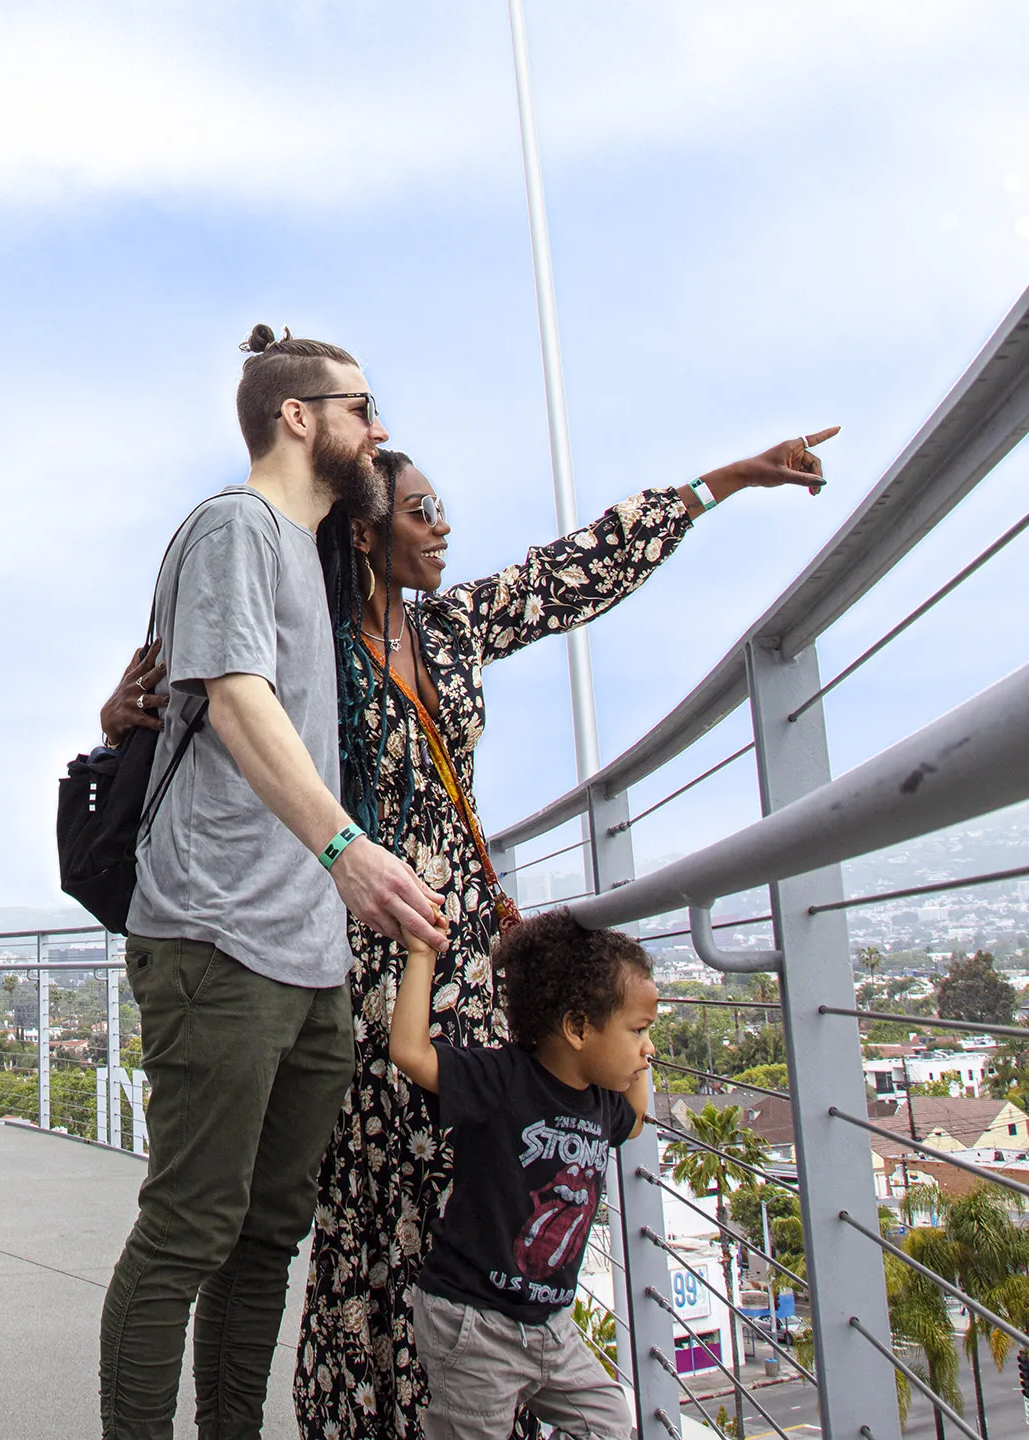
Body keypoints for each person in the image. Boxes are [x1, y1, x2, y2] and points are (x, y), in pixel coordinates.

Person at [101, 427, 834, 1439]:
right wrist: (118, 720)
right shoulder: (306, 636)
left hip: (467, 958)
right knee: (368, 1204)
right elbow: (209, 709)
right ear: (364, 533)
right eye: (421, 512)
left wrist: (725, 482)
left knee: (470, 1198)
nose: (443, 528)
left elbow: (573, 571)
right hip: (353, 957)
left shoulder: (452, 628)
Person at [98, 324, 449, 1440]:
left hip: (307, 955)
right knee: (188, 1231)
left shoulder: (309, 551)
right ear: (298, 418)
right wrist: (348, 852)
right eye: (361, 407)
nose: (378, 428)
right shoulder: (234, 528)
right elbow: (238, 698)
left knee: (265, 1239)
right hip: (217, 935)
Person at [387, 911, 656, 1440]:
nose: (649, 1047)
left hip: (550, 1326)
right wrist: (421, 955)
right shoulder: (500, 1077)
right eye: (638, 1031)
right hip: (475, 1322)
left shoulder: (603, 1102)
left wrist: (638, 1051)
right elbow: (411, 1053)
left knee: (608, 1423)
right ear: (577, 1027)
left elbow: (638, 1118)